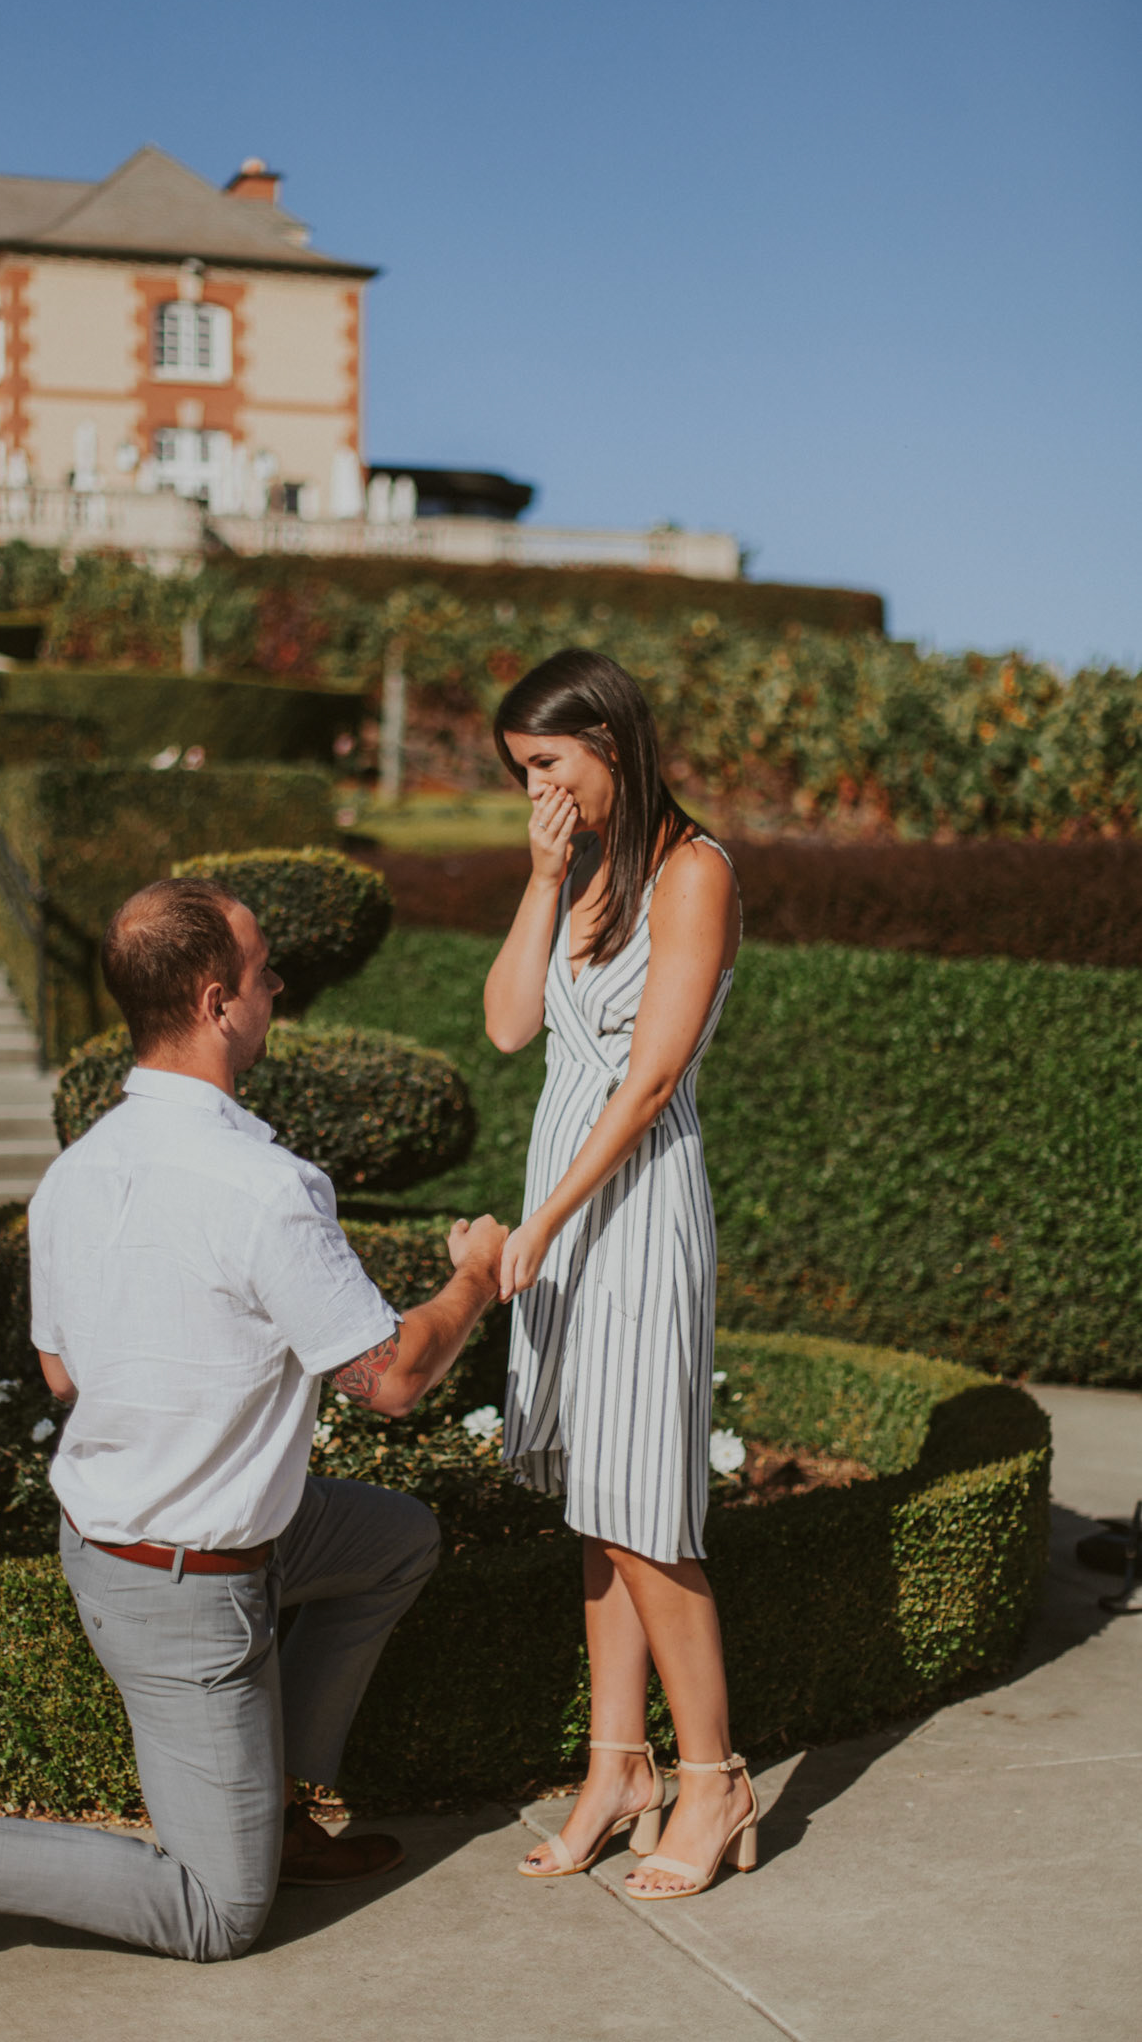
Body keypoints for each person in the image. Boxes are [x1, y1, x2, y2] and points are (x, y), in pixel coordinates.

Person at [0, 876, 508, 2009]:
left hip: (135, 1538)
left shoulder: (75, 1173)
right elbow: (391, 1377)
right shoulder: (267, 1187)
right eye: (266, 973)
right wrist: (473, 1275)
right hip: (183, 1584)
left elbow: (60, 1372)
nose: (277, 992)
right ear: (216, 1001)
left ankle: (278, 1804)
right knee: (217, 1910)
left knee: (394, 1537)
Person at [483, 649, 758, 1902]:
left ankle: (714, 1777)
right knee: (598, 1505)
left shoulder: (696, 872)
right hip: (564, 1199)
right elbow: (508, 1024)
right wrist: (543, 876)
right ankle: (616, 1768)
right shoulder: (584, 868)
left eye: (547, 762)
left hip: (636, 1207)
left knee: (647, 1510)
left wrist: (545, 1219)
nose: (536, 789)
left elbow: (649, 1082)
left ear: (607, 739)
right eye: (520, 772)